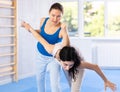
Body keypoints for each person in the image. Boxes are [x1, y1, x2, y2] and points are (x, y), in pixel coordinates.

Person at [21, 2, 70, 92]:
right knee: (39, 80)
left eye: (58, 16)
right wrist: (30, 30)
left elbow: (67, 46)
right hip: (40, 55)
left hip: (54, 58)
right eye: (53, 15)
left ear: (62, 16)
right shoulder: (43, 20)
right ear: (49, 13)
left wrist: (65, 30)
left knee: (54, 85)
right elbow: (41, 32)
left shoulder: (61, 29)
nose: (55, 19)